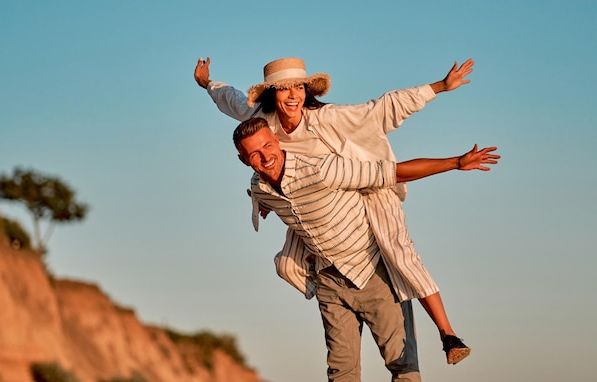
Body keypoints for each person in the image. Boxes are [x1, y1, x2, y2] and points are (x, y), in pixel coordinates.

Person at [194, 56, 474, 364]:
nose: (292, 96)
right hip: (312, 203)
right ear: (271, 93)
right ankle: (335, 288)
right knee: (286, 266)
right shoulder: (263, 120)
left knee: (400, 254)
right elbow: (231, 100)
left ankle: (448, 334)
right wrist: (208, 83)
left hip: (365, 187)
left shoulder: (326, 118)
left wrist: (439, 87)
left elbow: (381, 109)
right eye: (283, 89)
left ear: (307, 90)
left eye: (298, 88)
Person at [233, 117, 500, 381]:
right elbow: (260, 195)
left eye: (267, 146)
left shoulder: (321, 169)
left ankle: (447, 334)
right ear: (244, 160)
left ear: (277, 141)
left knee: (402, 365)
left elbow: (392, 172)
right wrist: (262, 206)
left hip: (373, 273)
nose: (265, 156)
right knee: (341, 374)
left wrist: (455, 163)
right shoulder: (260, 187)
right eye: (254, 154)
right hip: (329, 282)